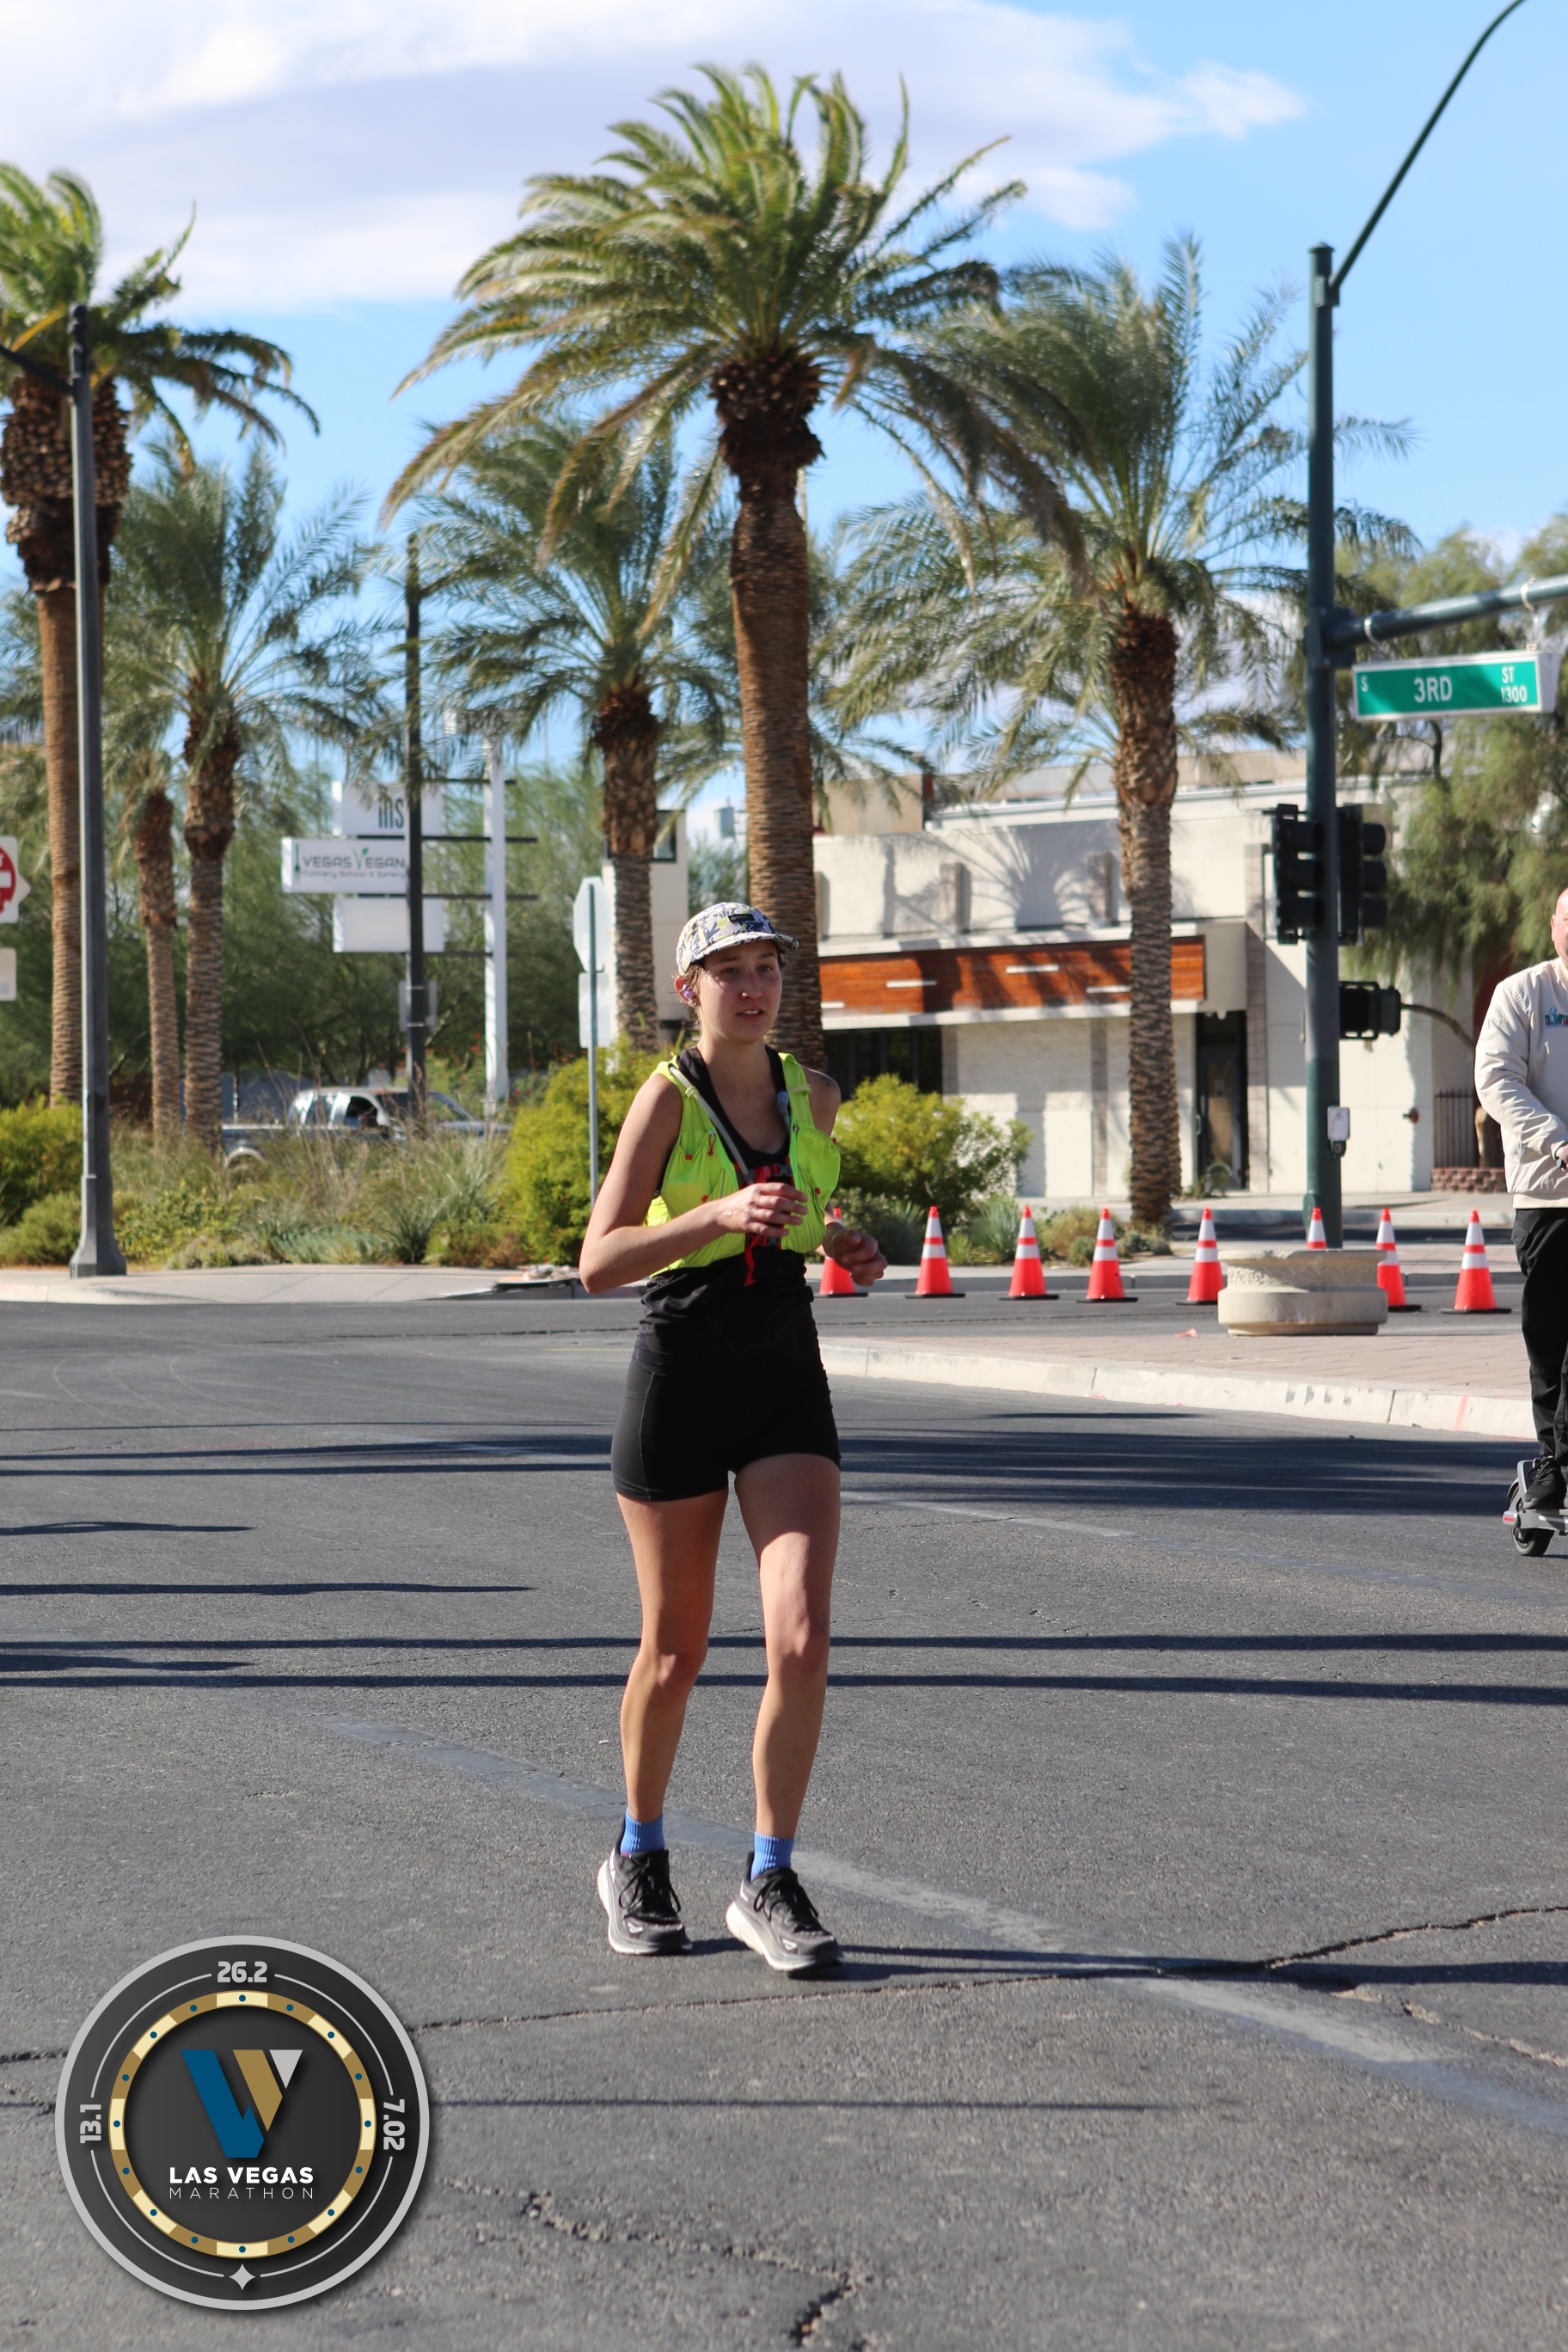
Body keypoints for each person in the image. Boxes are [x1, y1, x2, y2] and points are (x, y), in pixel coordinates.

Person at [579, 901, 887, 1973]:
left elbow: (805, 1216)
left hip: (782, 1375)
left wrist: (843, 1241)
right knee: (677, 1650)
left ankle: (769, 1876)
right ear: (689, 990)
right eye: (729, 971)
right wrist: (711, 1217)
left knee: (801, 1638)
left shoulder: (815, 1095)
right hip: (680, 1373)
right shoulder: (666, 1100)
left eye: (766, 968)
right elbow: (598, 1260)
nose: (753, 988)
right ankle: (637, 1852)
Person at [1475, 882, 1568, 1510]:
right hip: (1548, 1197)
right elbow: (1495, 1080)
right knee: (1551, 1340)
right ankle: (1551, 1465)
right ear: (1554, 925)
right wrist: (1559, 1140)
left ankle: (1559, 1462)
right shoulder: (1524, 994)